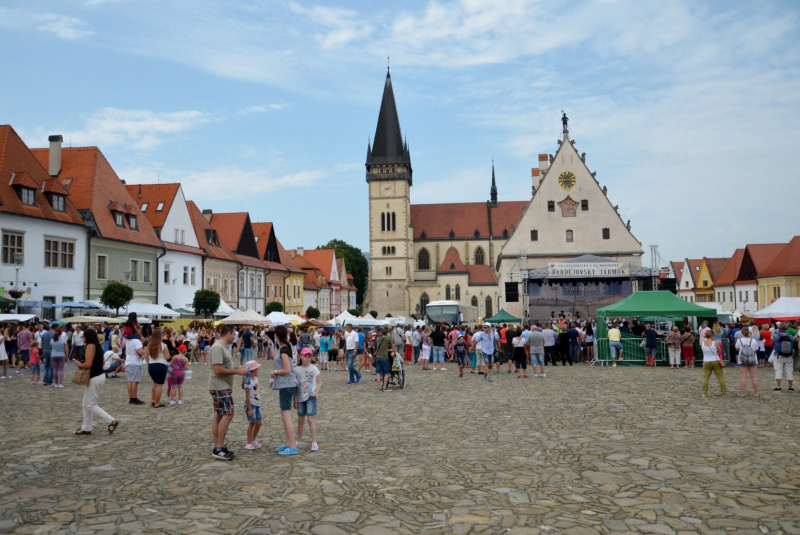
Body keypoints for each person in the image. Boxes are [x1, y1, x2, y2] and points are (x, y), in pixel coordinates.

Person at [209, 325, 247, 461]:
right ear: (229, 333)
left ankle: (219, 445)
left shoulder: (222, 347)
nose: (235, 337)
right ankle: (218, 447)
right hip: (220, 386)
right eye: (234, 334)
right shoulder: (218, 348)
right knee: (228, 414)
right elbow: (217, 370)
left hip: (221, 386)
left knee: (219, 415)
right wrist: (237, 371)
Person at [74, 329, 118, 436]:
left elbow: (88, 364)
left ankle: (111, 420)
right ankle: (86, 427)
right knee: (85, 403)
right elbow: (102, 362)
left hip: (94, 376)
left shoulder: (90, 346)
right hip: (99, 375)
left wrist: (79, 364)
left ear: (86, 337)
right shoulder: (98, 346)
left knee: (90, 404)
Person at [272, 325, 300, 456]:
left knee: (286, 415)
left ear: (276, 335)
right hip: (287, 384)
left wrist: (275, 371)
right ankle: (289, 443)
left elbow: (287, 369)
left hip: (286, 384)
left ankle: (292, 445)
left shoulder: (284, 349)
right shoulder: (284, 348)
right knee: (284, 414)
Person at [294, 348, 321, 450]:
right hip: (300, 397)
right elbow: (295, 387)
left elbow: (319, 382)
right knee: (300, 420)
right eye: (305, 356)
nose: (307, 358)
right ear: (301, 356)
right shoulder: (297, 370)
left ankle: (314, 442)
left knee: (310, 419)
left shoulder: (314, 369)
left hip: (310, 397)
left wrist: (316, 392)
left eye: (309, 356)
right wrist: (294, 400)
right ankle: (298, 441)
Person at [146, 328, 171, 408]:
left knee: (155, 383)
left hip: (151, 365)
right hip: (161, 365)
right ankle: (157, 403)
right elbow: (167, 357)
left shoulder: (149, 345)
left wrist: (149, 363)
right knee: (159, 384)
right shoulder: (163, 346)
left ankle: (153, 400)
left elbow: (145, 356)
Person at [243, 359, 263, 451]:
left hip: (257, 403)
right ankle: (248, 442)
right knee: (252, 423)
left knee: (259, 423)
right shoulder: (248, 382)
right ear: (253, 371)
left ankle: (253, 439)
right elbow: (247, 396)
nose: (258, 371)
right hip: (251, 404)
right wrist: (250, 408)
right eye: (257, 369)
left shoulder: (256, 379)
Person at [701, 329, 726, 397]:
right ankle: (724, 392)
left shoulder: (702, 343)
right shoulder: (715, 343)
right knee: (720, 377)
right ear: (712, 336)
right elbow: (719, 351)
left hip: (706, 361)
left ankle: (704, 393)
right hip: (715, 360)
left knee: (706, 377)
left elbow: (703, 351)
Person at [124, 325, 146, 404]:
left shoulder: (128, 341)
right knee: (135, 381)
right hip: (135, 362)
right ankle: (134, 397)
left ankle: (130, 397)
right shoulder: (136, 341)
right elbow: (139, 351)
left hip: (128, 361)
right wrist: (145, 350)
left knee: (129, 381)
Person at [735, 327, 759, 396]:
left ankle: (742, 393)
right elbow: (756, 349)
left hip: (743, 360)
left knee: (743, 376)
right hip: (753, 359)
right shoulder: (753, 340)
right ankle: (756, 393)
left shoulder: (739, 340)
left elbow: (737, 348)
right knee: (754, 376)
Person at [772, 323, 795, 392]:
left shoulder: (775, 336)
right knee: (789, 371)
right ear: (786, 328)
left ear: (778, 328)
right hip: (789, 355)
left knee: (778, 371)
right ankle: (790, 387)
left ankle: (779, 387)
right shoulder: (790, 336)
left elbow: (773, 344)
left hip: (778, 355)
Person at [372, 326, 394, 392]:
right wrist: (394, 353)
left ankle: (379, 387)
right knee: (386, 373)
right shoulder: (388, 339)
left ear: (381, 333)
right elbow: (392, 346)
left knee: (378, 373)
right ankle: (384, 387)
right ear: (387, 334)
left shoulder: (378, 339)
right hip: (384, 357)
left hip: (378, 357)